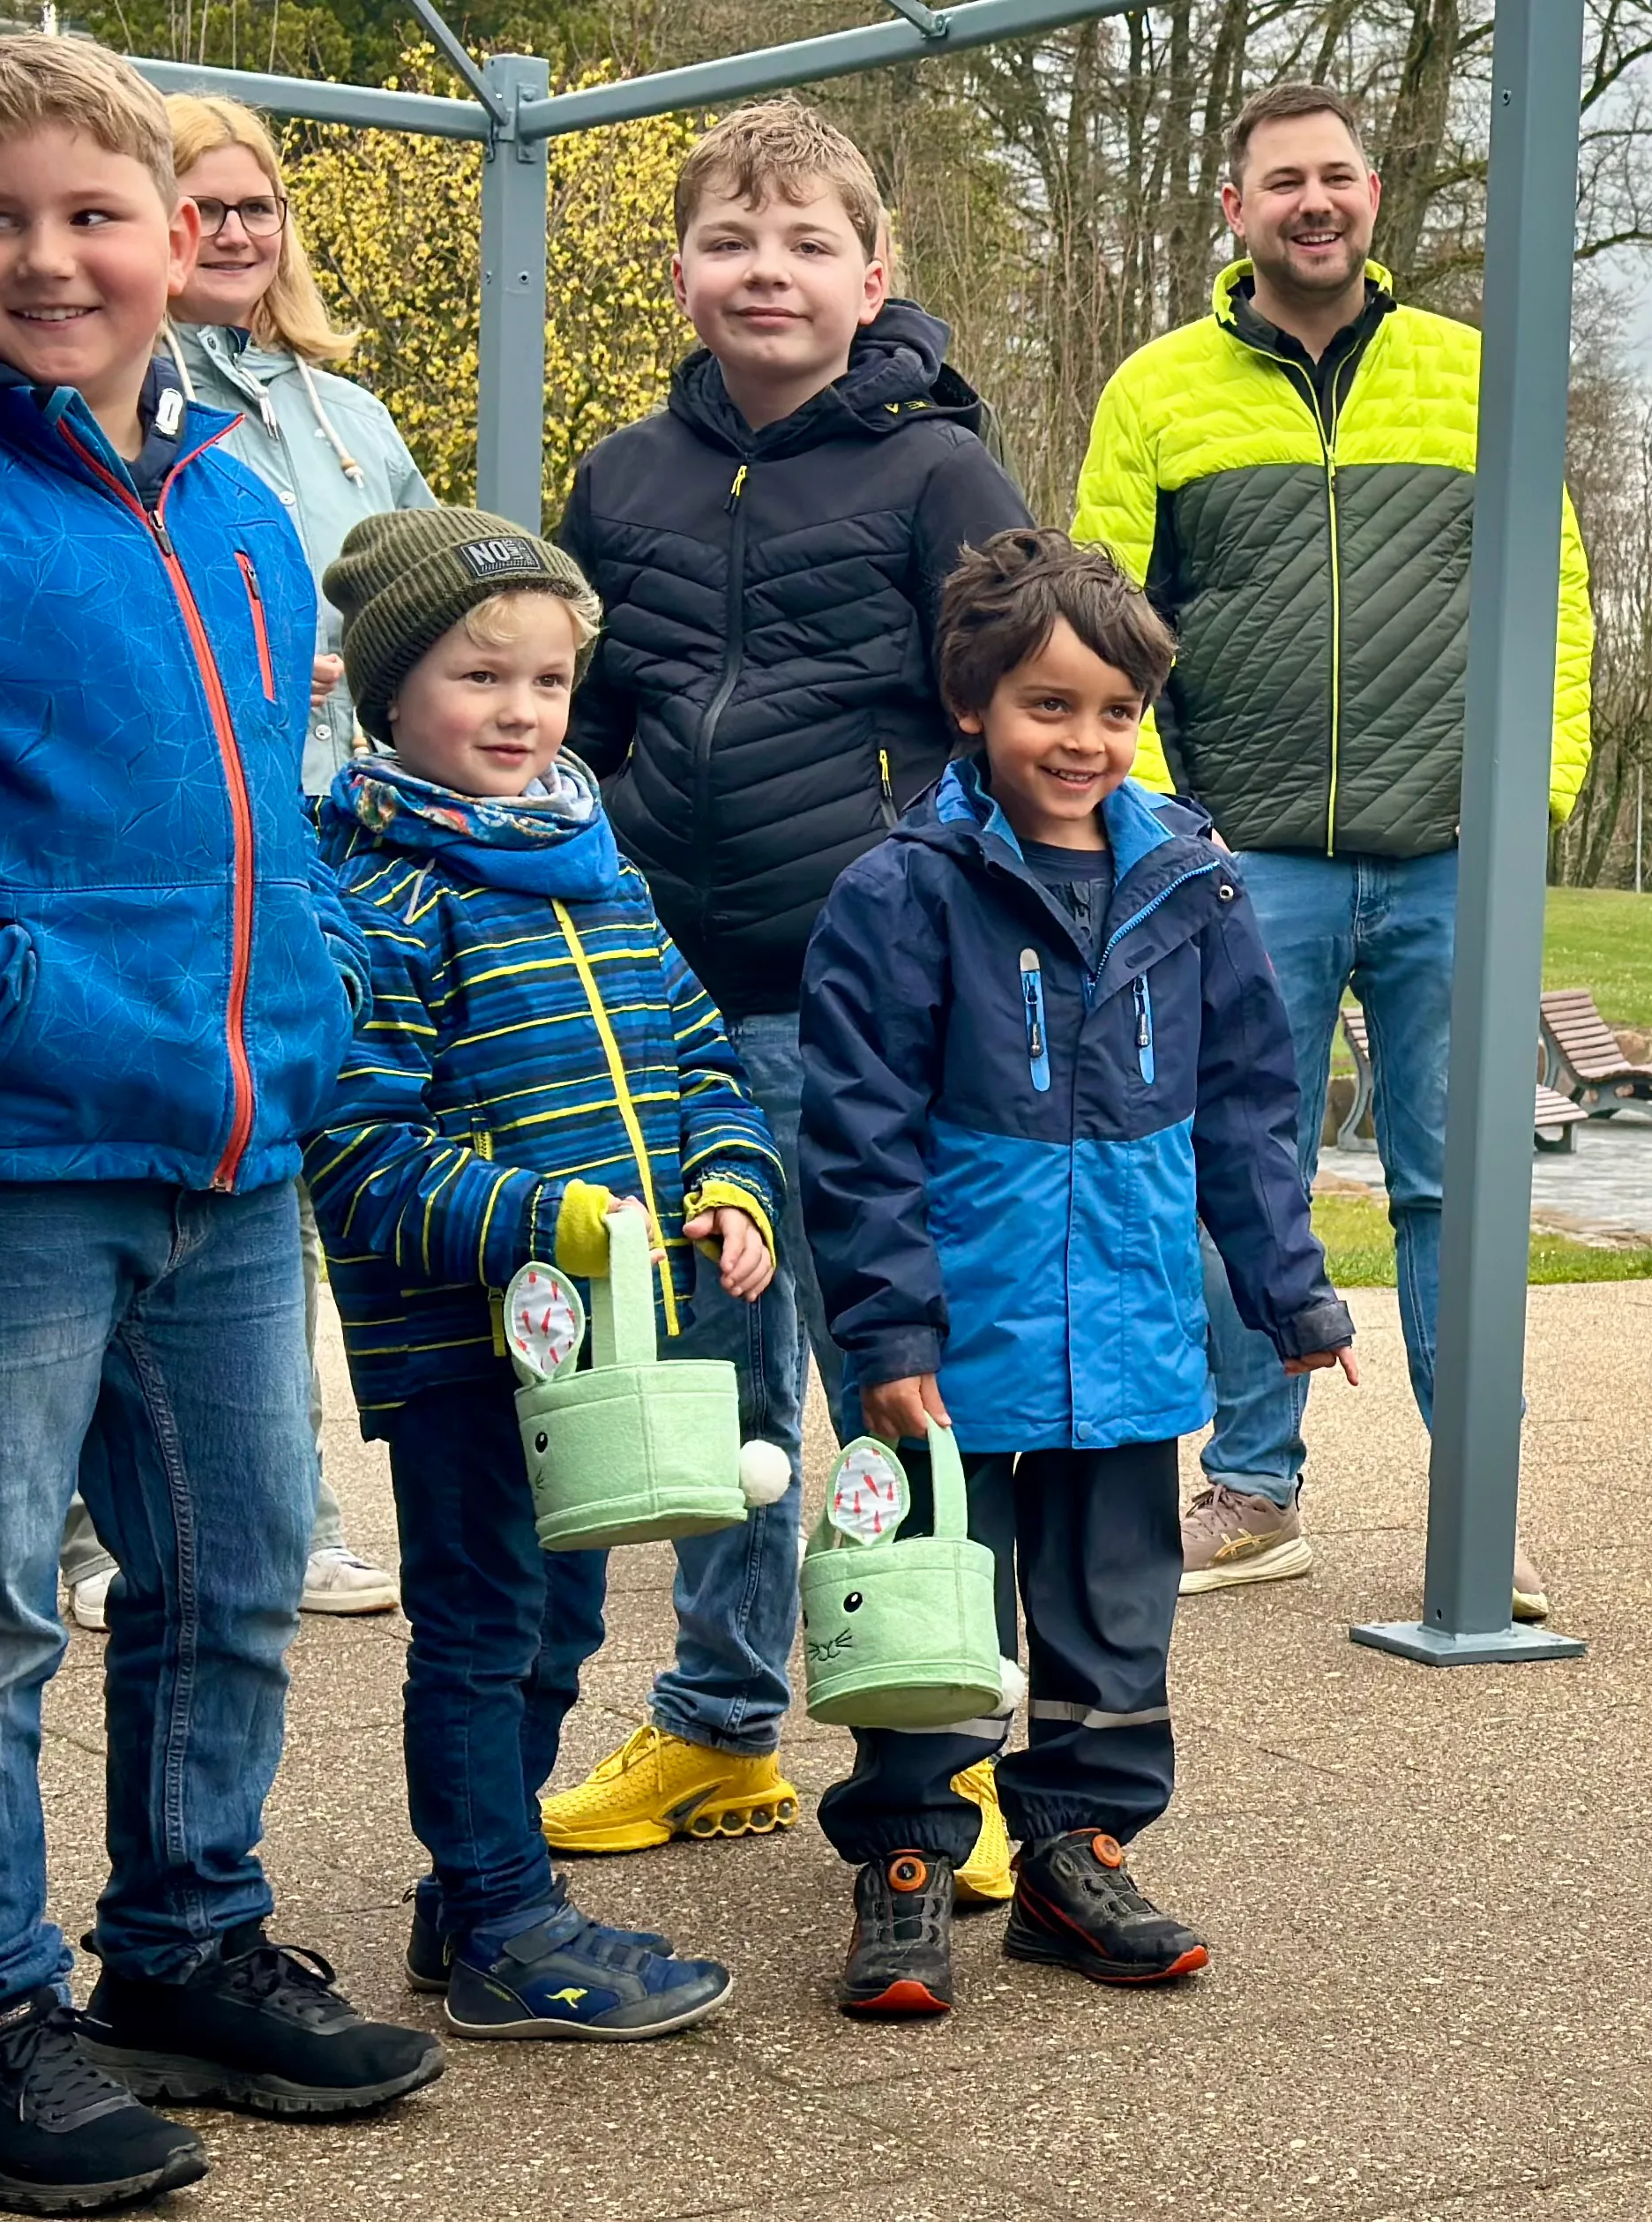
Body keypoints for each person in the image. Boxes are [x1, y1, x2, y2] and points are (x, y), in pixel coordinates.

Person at [0, 33, 443, 2209]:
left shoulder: (254, 511)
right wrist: (59, 1010)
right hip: (17, 1147)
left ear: (184, 239)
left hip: (243, 1150)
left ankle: (180, 1941)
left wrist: (314, 1013)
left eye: (90, 212)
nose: (48, 255)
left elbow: (286, 806)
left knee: (236, 1566)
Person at [549, 97, 1034, 1868]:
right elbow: (579, 713)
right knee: (711, 1392)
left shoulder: (940, 474)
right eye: (735, 240)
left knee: (893, 1373)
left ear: (874, 273)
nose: (769, 271)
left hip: (866, 1013)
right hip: (667, 1008)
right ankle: (718, 1723)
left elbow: (1021, 720)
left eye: (808, 241)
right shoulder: (623, 478)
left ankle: (946, 1745)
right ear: (682, 270)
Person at [800, 528, 1355, 2018]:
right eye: (1051, 705)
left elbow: (1249, 1107)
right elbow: (852, 1133)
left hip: (1125, 1330)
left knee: (1115, 1612)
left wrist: (1289, 1288)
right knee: (931, 1612)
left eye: (1116, 709)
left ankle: (1074, 1851)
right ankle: (909, 1857)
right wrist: (888, 1327)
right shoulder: (900, 891)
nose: (1087, 739)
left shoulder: (1194, 886)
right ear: (973, 701)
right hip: (951, 1338)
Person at [1069, 80, 1590, 1614]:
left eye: (1340, 177)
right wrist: (1156, 817)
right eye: (1283, 178)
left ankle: (1478, 1504)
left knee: (1458, 1184)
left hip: (1451, 855)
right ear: (1233, 211)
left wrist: (1531, 804)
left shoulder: (1473, 379)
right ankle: (1251, 1481)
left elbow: (1550, 604)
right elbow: (1102, 615)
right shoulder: (1156, 392)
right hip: (1248, 859)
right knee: (1245, 1172)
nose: (1316, 200)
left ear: (1374, 201)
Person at [303, 507, 766, 2039]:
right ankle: (506, 1916)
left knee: (562, 1625)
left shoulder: (595, 858)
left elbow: (700, 1051)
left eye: (549, 680)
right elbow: (361, 1152)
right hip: (463, 1351)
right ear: (387, 699)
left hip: (608, 1355)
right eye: (476, 677)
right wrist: (537, 1217)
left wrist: (729, 1176)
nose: (519, 712)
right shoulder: (375, 891)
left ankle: (470, 1885)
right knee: (484, 1620)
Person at [52, 90, 439, 1635]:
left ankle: (296, 1504)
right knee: (136, 1188)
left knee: (292, 1179)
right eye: (197, 206)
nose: (227, 232)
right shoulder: (125, 390)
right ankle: (99, 1524)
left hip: (332, 829)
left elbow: (418, 573)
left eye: (253, 206)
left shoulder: (342, 412)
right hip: (165, 854)